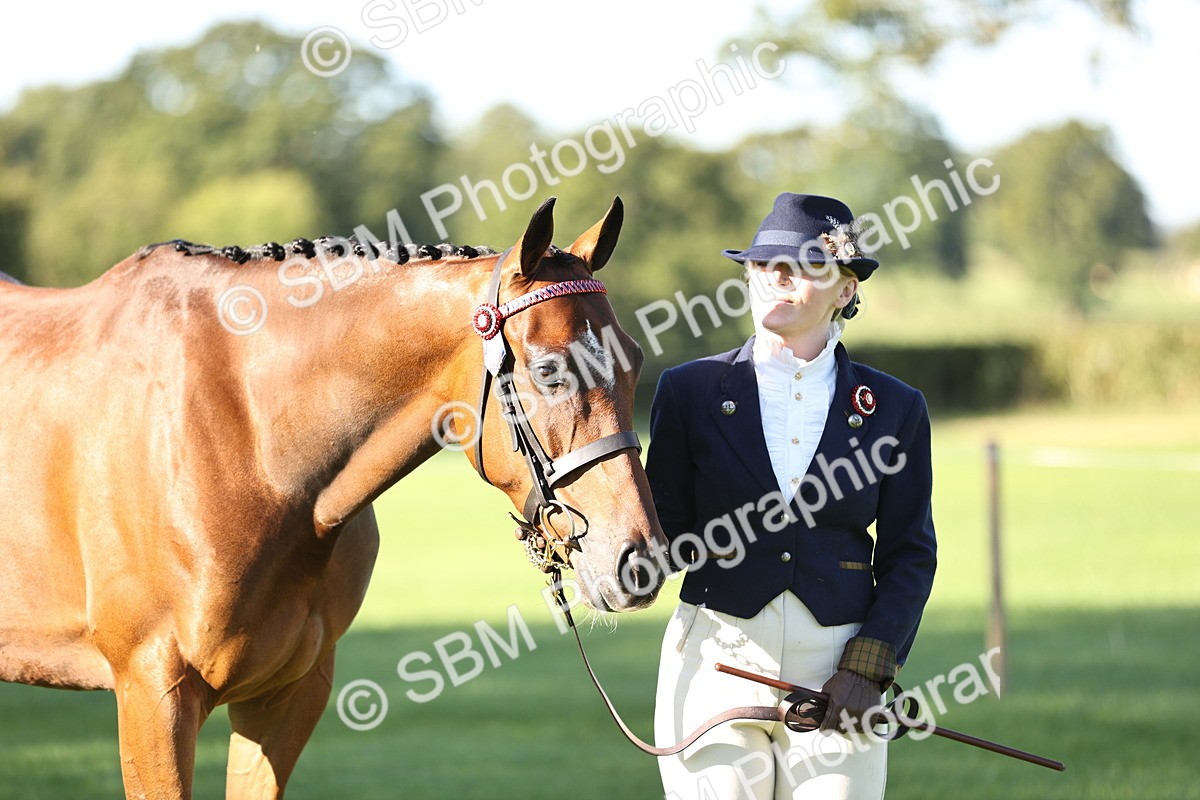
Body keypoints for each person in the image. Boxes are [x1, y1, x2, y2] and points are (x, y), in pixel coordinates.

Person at [646, 193, 937, 799]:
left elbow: (910, 553)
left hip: (839, 669)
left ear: (846, 289)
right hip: (713, 654)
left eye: (804, 265)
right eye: (763, 264)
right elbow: (662, 531)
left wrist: (867, 669)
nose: (777, 276)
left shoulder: (897, 408)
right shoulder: (687, 392)